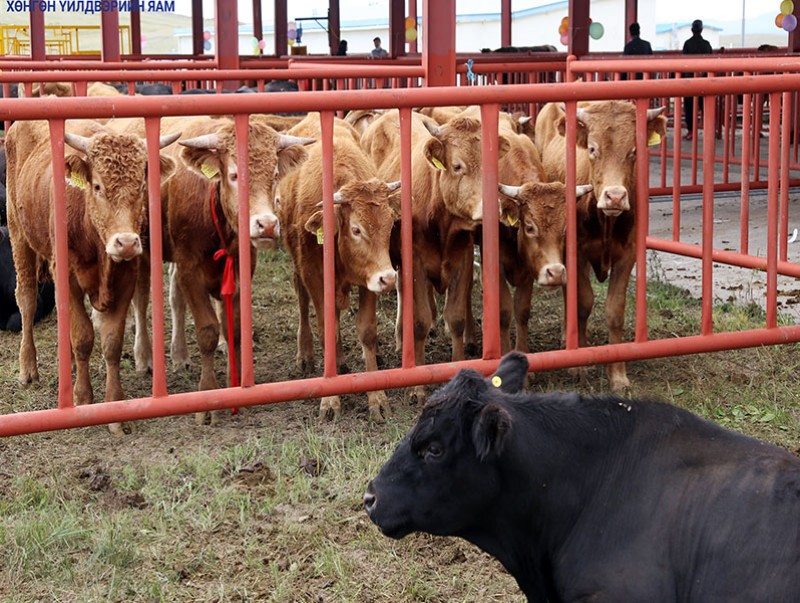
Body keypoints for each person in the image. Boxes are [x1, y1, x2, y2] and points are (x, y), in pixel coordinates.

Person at [681, 19, 713, 140]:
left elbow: (684, 63)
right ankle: (709, 130)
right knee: (705, 106)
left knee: (689, 107)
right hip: (704, 80)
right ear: (701, 29)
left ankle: (691, 131)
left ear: (692, 30)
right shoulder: (706, 44)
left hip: (690, 82)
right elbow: (711, 61)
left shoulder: (687, 44)